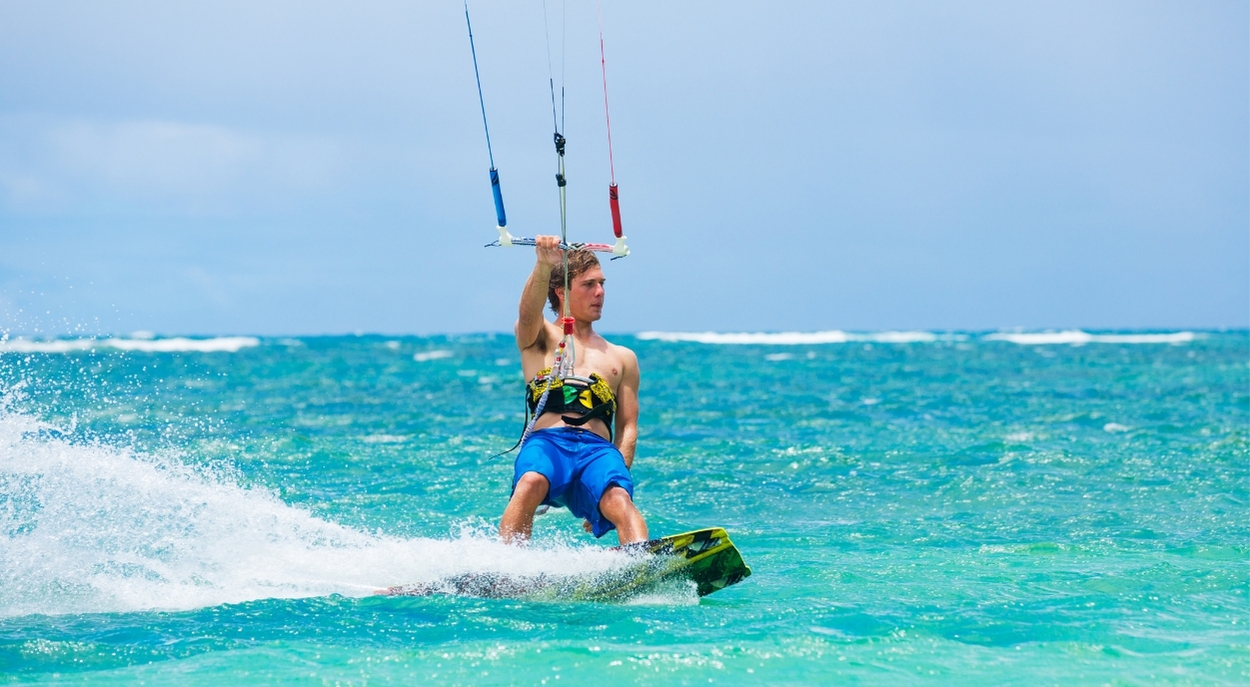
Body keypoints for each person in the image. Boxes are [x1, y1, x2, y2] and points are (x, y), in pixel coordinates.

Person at [498, 235, 649, 545]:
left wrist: (618, 478)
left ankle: (640, 561)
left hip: (596, 451)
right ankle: (507, 566)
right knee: (530, 482)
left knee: (619, 499)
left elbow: (627, 428)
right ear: (561, 292)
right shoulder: (538, 336)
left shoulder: (622, 357)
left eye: (602, 284)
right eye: (589, 285)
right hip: (548, 443)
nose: (600, 293)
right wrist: (543, 265)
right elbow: (528, 315)